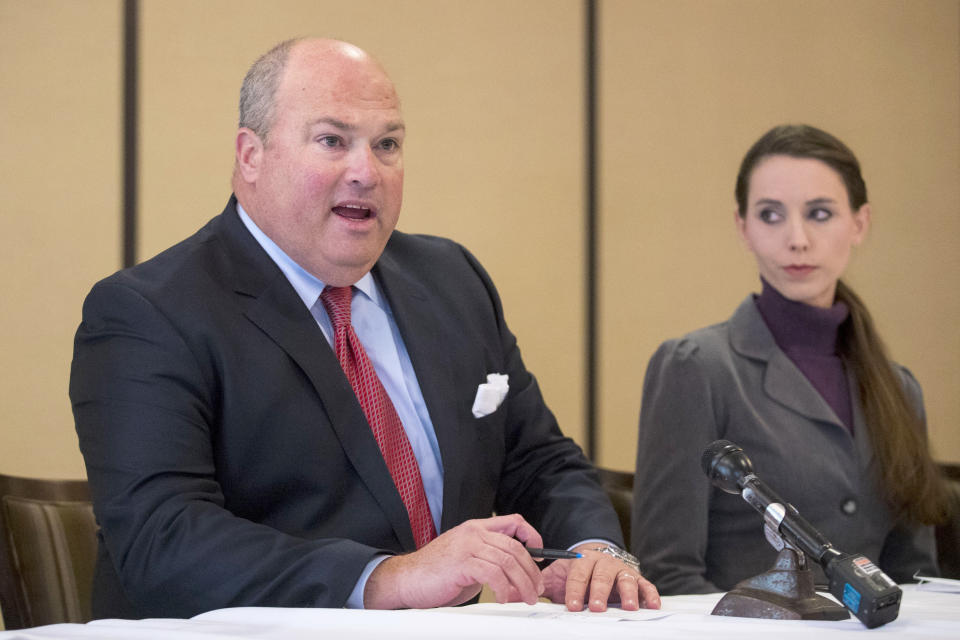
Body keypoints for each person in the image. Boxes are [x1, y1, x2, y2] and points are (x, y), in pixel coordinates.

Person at [69, 37, 660, 619]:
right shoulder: (149, 312)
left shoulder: (452, 279)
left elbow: (540, 462)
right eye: (332, 141)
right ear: (251, 156)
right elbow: (162, 540)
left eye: (387, 144)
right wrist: (387, 578)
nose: (366, 172)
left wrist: (594, 552)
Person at [630, 124, 948, 595]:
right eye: (770, 215)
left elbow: (915, 578)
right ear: (744, 228)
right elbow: (669, 575)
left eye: (820, 214)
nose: (797, 239)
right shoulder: (696, 367)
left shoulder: (899, 388)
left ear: (859, 223)